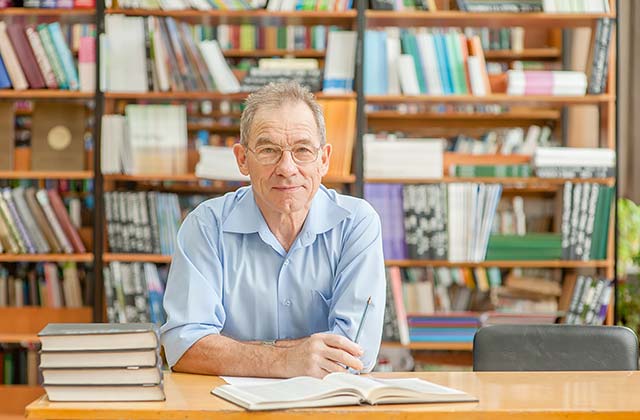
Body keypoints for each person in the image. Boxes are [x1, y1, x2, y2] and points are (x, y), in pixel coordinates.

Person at [160, 81, 385, 378]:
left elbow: (356, 354)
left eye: (303, 150)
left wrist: (238, 351)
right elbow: (183, 347)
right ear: (242, 159)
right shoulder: (205, 226)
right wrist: (285, 360)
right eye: (268, 150)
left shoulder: (356, 223)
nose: (287, 168)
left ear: (324, 159)